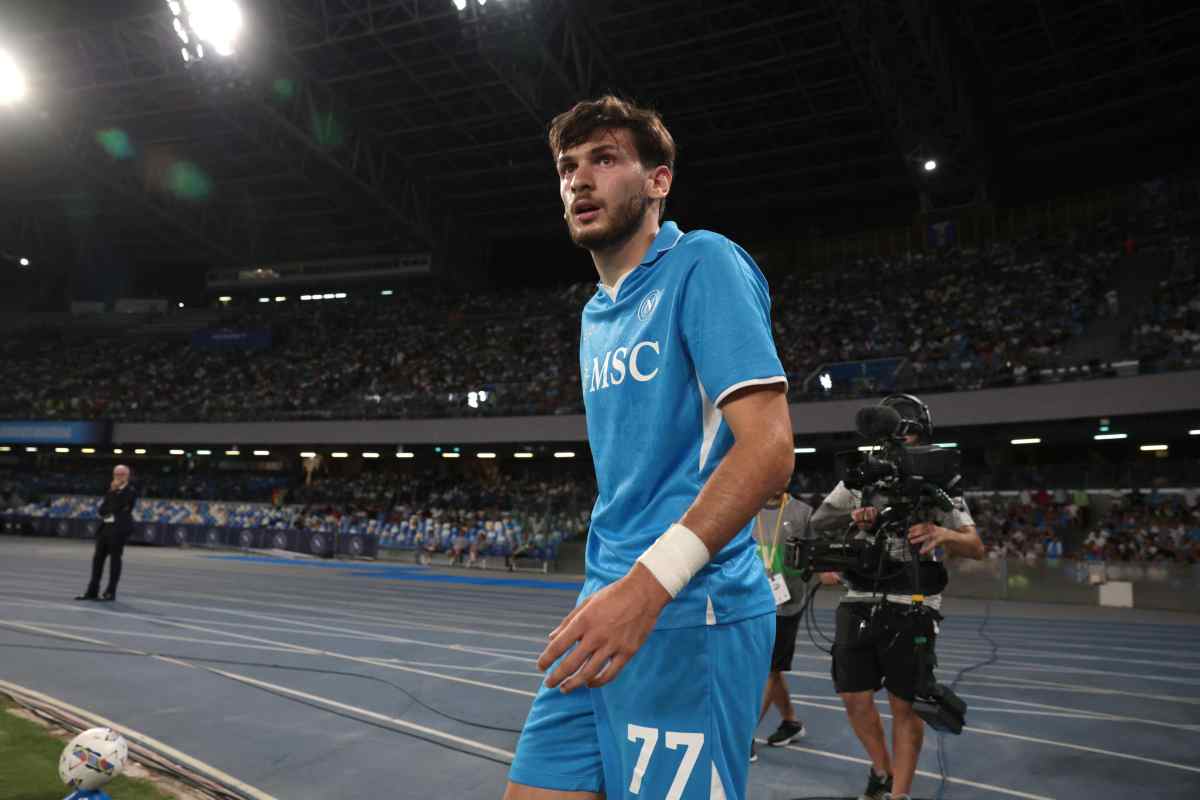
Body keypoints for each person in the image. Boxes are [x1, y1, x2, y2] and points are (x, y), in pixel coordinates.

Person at [505, 95, 794, 800]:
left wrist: (646, 588)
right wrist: (613, 592)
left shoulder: (703, 262)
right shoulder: (595, 313)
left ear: (658, 180)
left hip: (688, 607)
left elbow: (769, 450)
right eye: (568, 167)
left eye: (605, 159)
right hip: (603, 605)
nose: (579, 180)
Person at [810, 395, 984, 800]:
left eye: (909, 433)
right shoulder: (862, 476)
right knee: (853, 696)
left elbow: (975, 545)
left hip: (913, 601)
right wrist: (854, 517)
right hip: (860, 594)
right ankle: (882, 770)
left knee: (905, 704)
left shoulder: (939, 480)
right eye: (895, 433)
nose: (902, 441)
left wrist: (943, 533)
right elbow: (820, 521)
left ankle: (899, 794)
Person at [749, 488, 812, 763]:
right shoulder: (747, 508)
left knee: (769, 670)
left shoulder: (802, 513)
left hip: (786, 605)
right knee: (769, 668)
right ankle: (790, 722)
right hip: (751, 603)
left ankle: (744, 736)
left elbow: (815, 552)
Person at [75, 465, 138, 602]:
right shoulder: (111, 491)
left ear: (127, 476)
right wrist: (112, 496)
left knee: (115, 560)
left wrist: (114, 493)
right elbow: (102, 510)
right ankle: (92, 591)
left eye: (121, 474)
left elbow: (117, 507)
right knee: (97, 560)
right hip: (106, 528)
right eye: (116, 474)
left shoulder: (130, 491)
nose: (118, 477)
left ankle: (110, 592)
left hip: (119, 530)